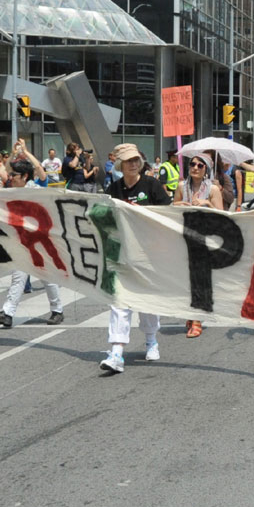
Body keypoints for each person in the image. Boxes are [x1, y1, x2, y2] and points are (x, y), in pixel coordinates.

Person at [99, 144, 173, 373]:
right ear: (120, 164)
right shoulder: (114, 188)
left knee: (147, 301)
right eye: (128, 160)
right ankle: (117, 352)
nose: (133, 163)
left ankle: (151, 341)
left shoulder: (152, 185)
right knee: (119, 301)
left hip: (149, 254)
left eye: (136, 159)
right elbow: (106, 218)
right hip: (123, 253)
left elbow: (167, 214)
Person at [0, 157, 66, 330]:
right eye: (11, 174)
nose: (11, 177)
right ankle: (7, 314)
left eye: (14, 174)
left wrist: (26, 152)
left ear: (25, 176)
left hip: (40, 240)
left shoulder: (36, 190)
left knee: (47, 277)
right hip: (21, 242)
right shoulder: (10, 190)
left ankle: (57, 310)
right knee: (18, 276)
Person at [174, 154, 223, 338]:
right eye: (192, 164)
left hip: (205, 238)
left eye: (200, 165)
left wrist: (207, 203)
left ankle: (197, 319)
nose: (195, 167)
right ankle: (191, 314)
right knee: (185, 279)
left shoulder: (213, 189)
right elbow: (172, 207)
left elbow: (222, 215)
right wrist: (181, 203)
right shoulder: (181, 186)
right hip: (184, 235)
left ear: (206, 170)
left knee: (199, 277)